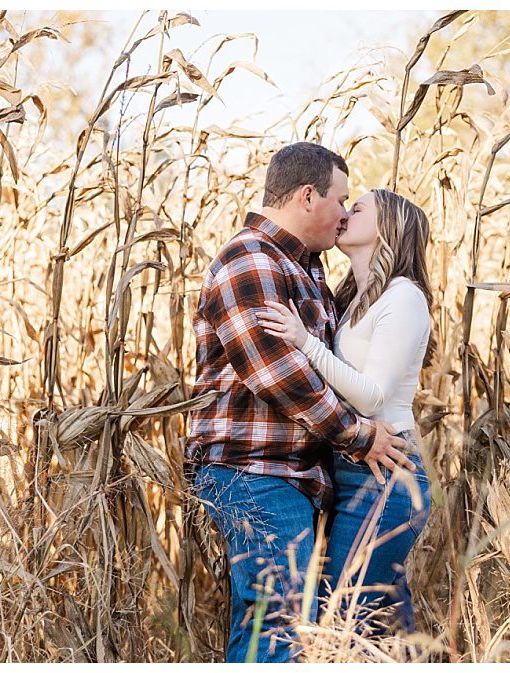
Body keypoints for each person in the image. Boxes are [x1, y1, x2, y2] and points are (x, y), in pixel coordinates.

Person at [185, 143, 415, 663]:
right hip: (253, 470)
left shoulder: (307, 269)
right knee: (282, 619)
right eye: (342, 199)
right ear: (309, 196)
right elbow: (278, 374)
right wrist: (360, 436)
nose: (343, 214)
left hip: (298, 475)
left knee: (296, 619)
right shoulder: (249, 260)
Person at [256, 188, 436, 637]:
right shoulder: (353, 297)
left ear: (388, 228)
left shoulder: (403, 297)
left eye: (358, 209)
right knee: (381, 622)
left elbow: (372, 397)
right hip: (351, 467)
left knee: (346, 618)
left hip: (386, 473)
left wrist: (305, 341)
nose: (344, 214)